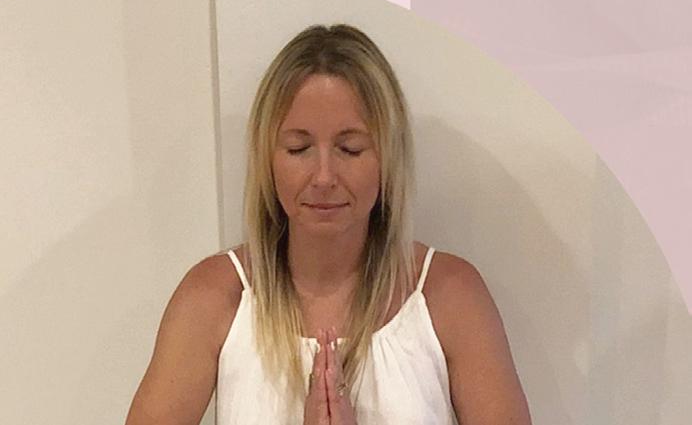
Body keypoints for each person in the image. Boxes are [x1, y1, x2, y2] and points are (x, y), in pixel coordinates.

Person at [125, 24, 532, 425]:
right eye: (298, 148)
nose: (323, 177)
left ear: (388, 157)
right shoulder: (214, 297)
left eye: (350, 149)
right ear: (267, 157)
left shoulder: (450, 296)